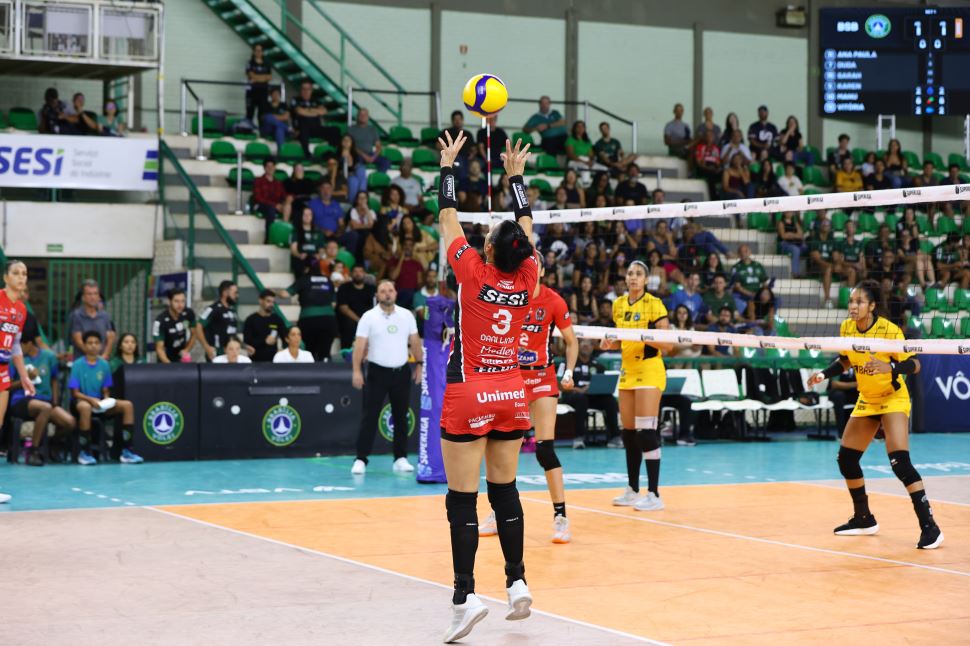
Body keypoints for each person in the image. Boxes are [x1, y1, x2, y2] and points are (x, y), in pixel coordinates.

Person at [436, 132, 538, 640]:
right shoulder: (528, 279)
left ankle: (464, 596)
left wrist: (448, 168)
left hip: (470, 390)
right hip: (512, 393)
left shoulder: (472, 272)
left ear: (490, 249)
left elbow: (447, 218)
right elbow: (526, 230)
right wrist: (516, 177)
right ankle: (517, 583)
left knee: (462, 497)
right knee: (506, 490)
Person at [807, 281, 942, 550]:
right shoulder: (846, 328)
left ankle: (930, 527)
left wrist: (888, 365)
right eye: (851, 301)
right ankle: (863, 518)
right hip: (867, 399)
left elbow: (914, 364)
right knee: (846, 459)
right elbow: (846, 359)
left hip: (892, 397)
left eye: (859, 302)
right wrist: (823, 374)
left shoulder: (889, 331)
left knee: (899, 463)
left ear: (871, 306)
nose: (853, 306)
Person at [481, 269, 578, 543]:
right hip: (514, 377)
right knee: (503, 447)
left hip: (543, 376)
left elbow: (571, 341)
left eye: (536, 264)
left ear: (543, 270)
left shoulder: (553, 300)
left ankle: (561, 517)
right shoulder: (509, 297)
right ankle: (498, 513)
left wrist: (568, 371)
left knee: (545, 449)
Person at [601, 260, 672, 512]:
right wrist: (610, 342)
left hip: (650, 370)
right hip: (627, 371)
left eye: (638, 274)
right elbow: (622, 339)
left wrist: (647, 337)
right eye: (630, 273)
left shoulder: (654, 304)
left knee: (645, 431)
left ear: (646, 279)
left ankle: (654, 494)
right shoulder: (618, 305)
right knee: (628, 433)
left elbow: (669, 344)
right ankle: (633, 490)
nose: (633, 277)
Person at [350, 280, 422, 474]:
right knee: (370, 417)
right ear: (377, 295)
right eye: (383, 291)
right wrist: (357, 370)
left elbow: (414, 341)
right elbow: (359, 345)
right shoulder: (368, 317)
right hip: (377, 373)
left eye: (390, 290)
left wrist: (420, 365)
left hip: (401, 372)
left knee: (401, 417)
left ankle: (400, 458)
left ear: (396, 293)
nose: (387, 294)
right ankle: (361, 459)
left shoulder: (406, 315)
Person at [69, 331, 142, 465]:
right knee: (85, 407)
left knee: (127, 405)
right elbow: (75, 393)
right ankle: (84, 452)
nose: (93, 346)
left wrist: (106, 400)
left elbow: (106, 390)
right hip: (82, 402)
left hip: (100, 404)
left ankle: (127, 452)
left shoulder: (104, 365)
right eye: (90, 343)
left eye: (96, 343)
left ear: (101, 346)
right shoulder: (77, 365)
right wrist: (91, 400)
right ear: (84, 345)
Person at [0, 262, 36, 499]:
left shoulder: (22, 310)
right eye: (16, 273)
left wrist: (24, 377)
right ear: (5, 277)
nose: (21, 277)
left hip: (3, 372)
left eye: (24, 273)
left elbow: (15, 346)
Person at [10, 336, 75, 466]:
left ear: (29, 343)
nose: (16, 349)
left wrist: (55, 400)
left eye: (19, 345)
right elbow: (8, 385)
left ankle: (52, 444)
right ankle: (33, 451)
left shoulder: (49, 357)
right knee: (44, 408)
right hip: (21, 400)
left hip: (45, 400)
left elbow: (54, 380)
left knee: (70, 422)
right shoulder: (15, 359)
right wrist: (25, 378)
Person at [559, 339, 621, 447]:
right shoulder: (568, 363)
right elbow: (559, 384)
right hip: (572, 396)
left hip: (592, 396)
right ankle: (579, 438)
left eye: (589, 344)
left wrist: (591, 387)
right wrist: (576, 389)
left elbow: (602, 384)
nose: (586, 346)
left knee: (610, 400)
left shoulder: (598, 365)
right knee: (581, 399)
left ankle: (614, 438)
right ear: (578, 345)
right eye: (583, 343)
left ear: (593, 348)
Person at [280, 262, 338, 361]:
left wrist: (274, 292)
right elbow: (333, 303)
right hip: (329, 320)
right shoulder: (328, 280)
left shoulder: (304, 280)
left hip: (308, 319)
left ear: (307, 269)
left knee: (309, 352)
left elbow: (285, 294)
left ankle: (311, 374)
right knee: (325, 352)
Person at [68, 279, 116, 359]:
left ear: (98, 296)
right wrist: (94, 356)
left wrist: (105, 355)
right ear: (83, 297)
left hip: (102, 361)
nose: (93, 297)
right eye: (89, 294)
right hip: (83, 362)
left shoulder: (105, 316)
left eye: (95, 294)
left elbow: (110, 338)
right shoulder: (76, 315)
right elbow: (78, 340)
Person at [153, 288, 200, 363]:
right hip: (165, 360)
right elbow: (159, 348)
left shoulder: (188, 313)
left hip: (181, 358)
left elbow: (194, 334)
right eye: (176, 301)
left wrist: (186, 350)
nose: (180, 305)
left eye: (183, 301)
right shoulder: (160, 320)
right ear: (169, 302)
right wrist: (169, 366)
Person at [336, 265, 376, 349]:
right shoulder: (344, 288)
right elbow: (343, 308)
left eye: (360, 271)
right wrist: (359, 320)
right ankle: (346, 355)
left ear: (365, 274)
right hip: (350, 320)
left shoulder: (371, 289)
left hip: (368, 320)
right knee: (348, 324)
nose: (358, 274)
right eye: (355, 271)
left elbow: (376, 307)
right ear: (351, 274)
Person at [243, 289, 287, 362]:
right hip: (255, 361)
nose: (271, 304)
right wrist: (264, 341)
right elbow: (247, 341)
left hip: (273, 361)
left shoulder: (277, 319)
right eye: (268, 301)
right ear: (260, 301)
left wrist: (282, 350)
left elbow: (286, 338)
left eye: (273, 302)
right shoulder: (251, 320)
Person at [199, 281, 239, 360]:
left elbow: (232, 333)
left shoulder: (232, 311)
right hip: (216, 353)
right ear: (225, 293)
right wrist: (207, 347)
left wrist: (245, 346)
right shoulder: (213, 308)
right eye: (235, 293)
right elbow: (198, 326)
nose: (237, 295)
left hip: (230, 353)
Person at [290, 80, 330, 155]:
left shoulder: (316, 100)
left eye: (308, 89)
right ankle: (307, 153)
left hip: (315, 129)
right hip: (300, 131)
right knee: (304, 122)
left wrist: (308, 110)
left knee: (335, 130)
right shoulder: (295, 100)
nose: (306, 91)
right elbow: (299, 111)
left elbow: (324, 111)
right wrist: (315, 112)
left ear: (311, 90)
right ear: (300, 90)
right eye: (303, 89)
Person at [252, 158, 288, 241]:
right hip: (261, 205)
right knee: (271, 210)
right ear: (264, 168)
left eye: (272, 166)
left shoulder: (278, 183)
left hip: (276, 206)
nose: (270, 168)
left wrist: (283, 205)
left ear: (275, 168)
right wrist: (275, 205)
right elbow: (258, 198)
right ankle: (269, 238)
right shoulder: (258, 181)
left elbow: (284, 196)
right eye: (268, 166)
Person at [348, 107, 390, 173]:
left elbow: (378, 146)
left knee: (386, 161)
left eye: (365, 115)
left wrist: (373, 157)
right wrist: (365, 156)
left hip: (370, 154)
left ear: (368, 117)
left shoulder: (372, 129)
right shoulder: (351, 129)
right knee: (357, 162)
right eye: (361, 114)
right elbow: (351, 146)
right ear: (357, 116)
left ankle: (377, 178)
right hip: (357, 155)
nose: (363, 116)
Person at [245, 44, 272, 126]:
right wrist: (263, 77)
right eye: (256, 50)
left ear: (263, 52)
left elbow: (269, 77)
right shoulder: (249, 63)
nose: (258, 52)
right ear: (253, 52)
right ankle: (248, 130)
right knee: (250, 113)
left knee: (262, 113)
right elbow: (251, 75)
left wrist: (257, 78)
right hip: (252, 92)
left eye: (260, 50)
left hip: (263, 91)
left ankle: (262, 133)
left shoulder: (267, 63)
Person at [109, 332, 140, 400]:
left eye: (133, 342)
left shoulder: (141, 361)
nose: (130, 345)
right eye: (126, 342)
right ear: (120, 346)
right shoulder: (113, 363)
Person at [777, 211, 807, 278]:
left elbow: (801, 235)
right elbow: (783, 236)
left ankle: (809, 272)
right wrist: (796, 235)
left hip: (796, 243)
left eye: (791, 212)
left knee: (805, 247)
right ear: (784, 213)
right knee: (795, 250)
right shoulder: (781, 223)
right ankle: (795, 273)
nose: (790, 213)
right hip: (784, 244)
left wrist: (790, 234)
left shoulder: (795, 223)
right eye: (788, 212)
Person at [261, 87, 291, 151]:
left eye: (277, 94)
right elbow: (265, 118)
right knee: (268, 117)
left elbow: (286, 117)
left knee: (279, 129)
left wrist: (274, 117)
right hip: (269, 129)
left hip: (279, 130)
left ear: (279, 95)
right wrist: (279, 117)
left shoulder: (283, 105)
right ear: (271, 95)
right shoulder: (266, 105)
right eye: (274, 94)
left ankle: (281, 152)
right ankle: (287, 128)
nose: (275, 96)